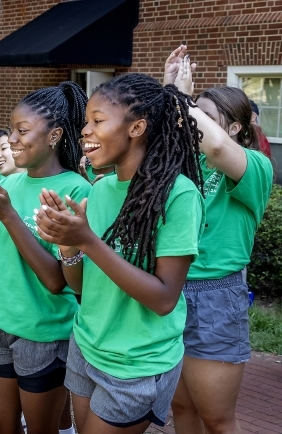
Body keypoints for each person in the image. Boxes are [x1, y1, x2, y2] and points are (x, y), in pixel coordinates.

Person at [35, 73, 205, 434]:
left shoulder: (179, 195)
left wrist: (87, 241)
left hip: (136, 364)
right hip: (86, 345)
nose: (84, 131)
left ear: (137, 127)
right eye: (85, 124)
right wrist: (68, 248)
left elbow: (163, 299)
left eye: (97, 121)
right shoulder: (99, 190)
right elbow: (81, 287)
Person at [0, 82, 92, 434]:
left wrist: (8, 216)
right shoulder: (8, 185)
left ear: (54, 135)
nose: (10, 138)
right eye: (11, 129)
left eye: (21, 130)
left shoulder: (76, 190)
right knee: (1, 425)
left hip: (43, 333)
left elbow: (58, 281)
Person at [165, 47, 274, 434]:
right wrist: (170, 91)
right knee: (181, 406)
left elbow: (213, 146)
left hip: (216, 297)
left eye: (205, 118)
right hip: (171, 291)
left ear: (233, 128)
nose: (191, 123)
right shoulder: (188, 164)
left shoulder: (255, 166)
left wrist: (184, 101)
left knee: (217, 418)